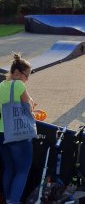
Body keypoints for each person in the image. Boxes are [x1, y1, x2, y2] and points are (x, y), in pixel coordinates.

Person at [0, 53, 36, 204]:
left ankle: (8, 199)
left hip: (2, 132)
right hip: (18, 134)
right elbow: (28, 106)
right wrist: (33, 107)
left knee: (9, 168)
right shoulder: (19, 85)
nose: (27, 79)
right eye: (26, 75)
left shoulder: (1, 85)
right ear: (16, 73)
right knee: (22, 171)